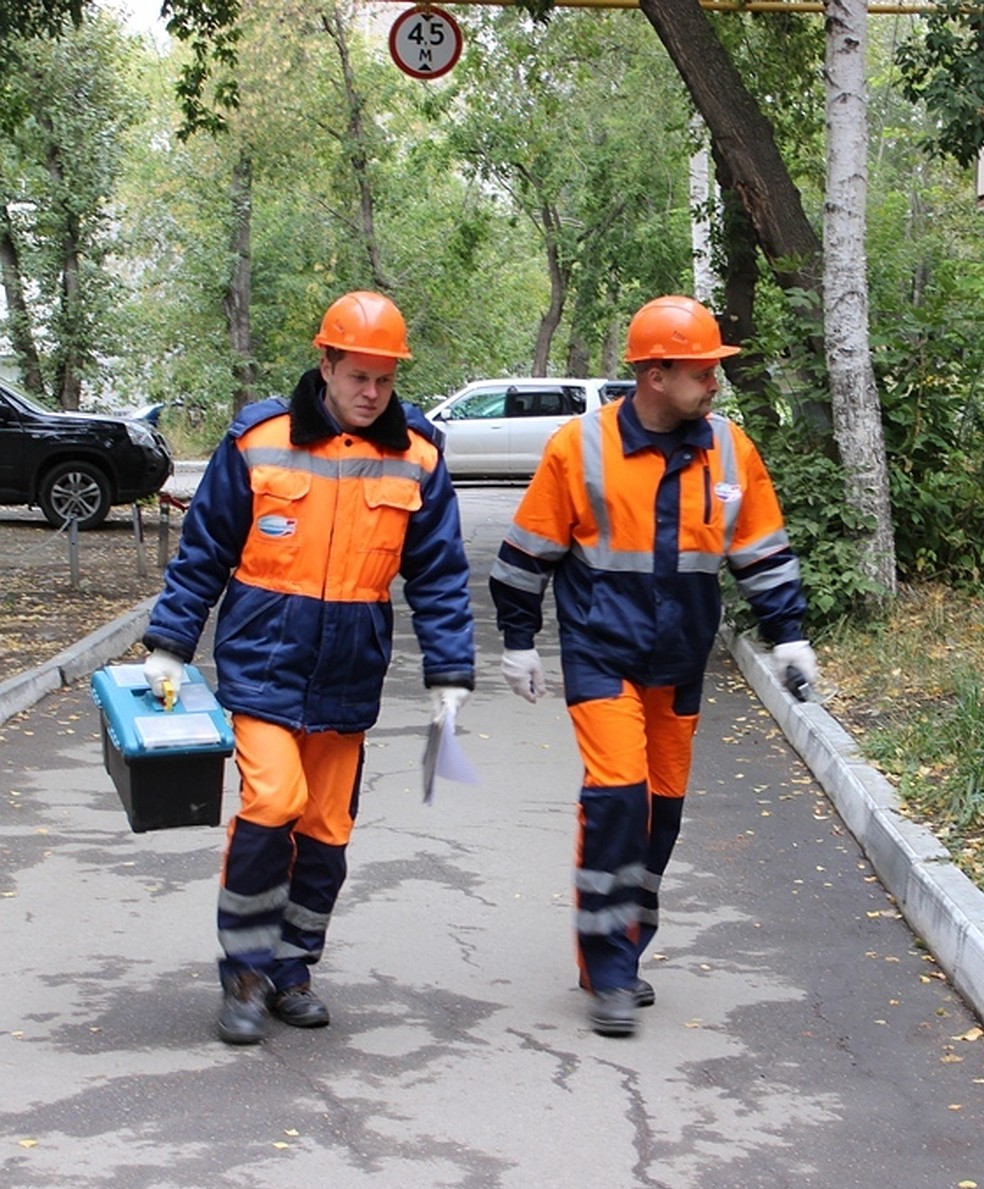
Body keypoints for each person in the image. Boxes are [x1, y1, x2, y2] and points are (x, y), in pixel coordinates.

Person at [142, 291, 475, 1045]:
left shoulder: (416, 455)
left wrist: (449, 670)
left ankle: (293, 968)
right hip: (261, 662)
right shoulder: (260, 438)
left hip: (349, 673)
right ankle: (246, 974)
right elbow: (204, 552)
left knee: (326, 829)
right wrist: (169, 644)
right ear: (324, 363)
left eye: (385, 380)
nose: (371, 393)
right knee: (273, 802)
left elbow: (439, 574)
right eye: (358, 375)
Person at [489, 294, 817, 1037]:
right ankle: (608, 969)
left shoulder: (729, 451)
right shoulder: (582, 448)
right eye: (703, 370)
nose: (715, 383)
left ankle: (622, 946)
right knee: (618, 797)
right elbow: (526, 556)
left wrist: (788, 634)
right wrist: (516, 639)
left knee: (661, 813)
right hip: (601, 653)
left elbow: (761, 552)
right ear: (656, 373)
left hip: (680, 660)